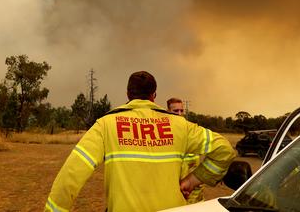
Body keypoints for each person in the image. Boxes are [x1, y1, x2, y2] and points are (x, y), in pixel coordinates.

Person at [44, 71, 236, 212]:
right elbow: (224, 150)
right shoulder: (180, 126)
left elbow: (71, 174)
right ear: (154, 96)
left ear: (128, 94)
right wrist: (191, 181)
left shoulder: (106, 125)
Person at [167, 97, 205, 204]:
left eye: (181, 110)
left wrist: (191, 205)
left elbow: (197, 176)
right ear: (168, 112)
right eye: (175, 111)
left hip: (191, 201)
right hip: (171, 199)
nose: (179, 114)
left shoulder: (191, 133)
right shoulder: (164, 135)